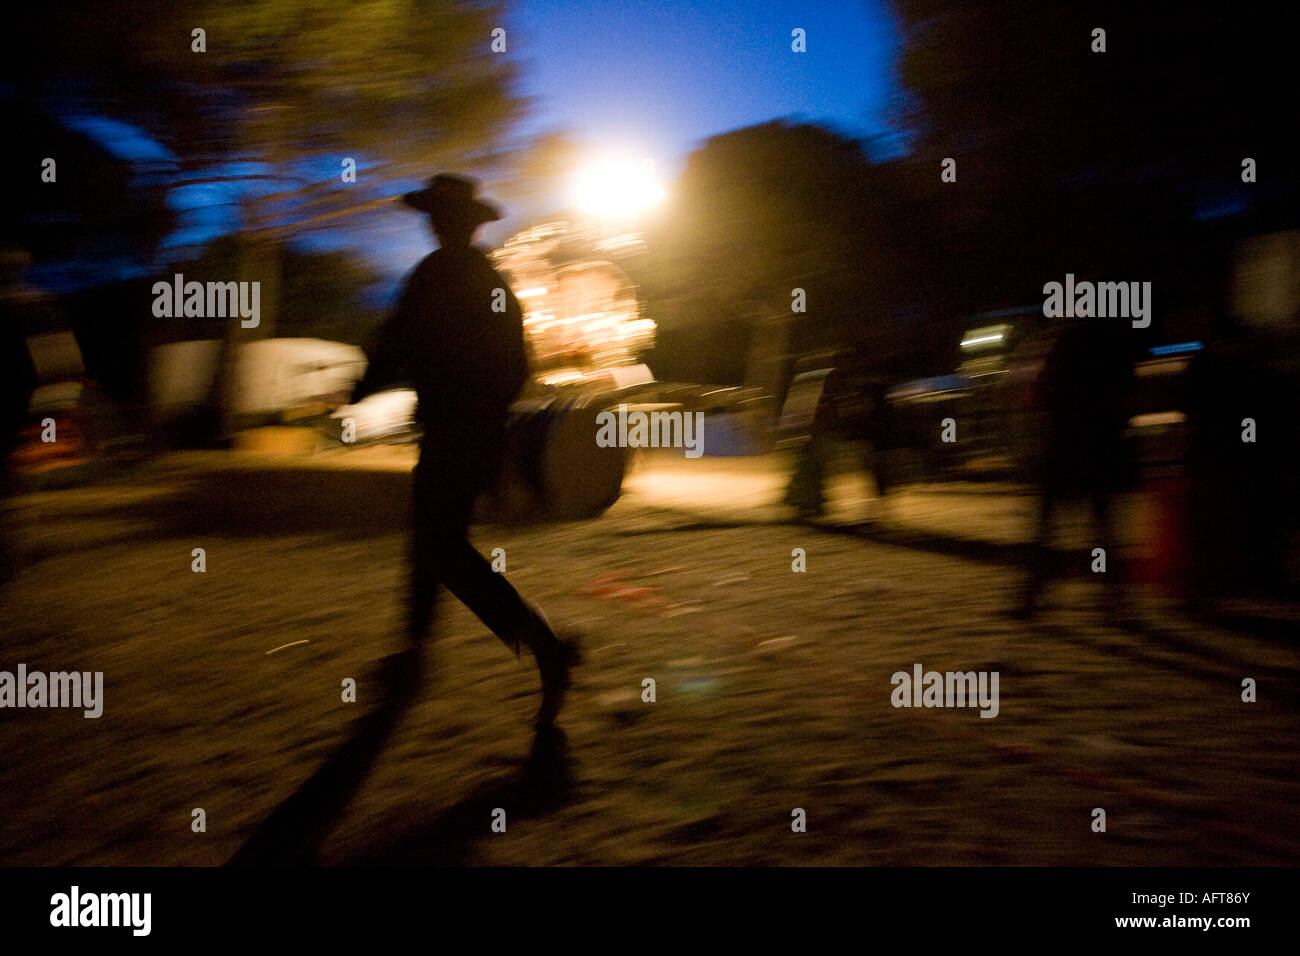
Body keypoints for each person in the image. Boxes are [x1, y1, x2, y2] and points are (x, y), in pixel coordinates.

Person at [346, 174, 579, 725]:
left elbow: (396, 340)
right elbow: (518, 366)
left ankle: (546, 645)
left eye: (435, 214)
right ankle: (412, 659)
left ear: (441, 221)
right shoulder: (494, 282)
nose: (431, 223)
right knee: (432, 544)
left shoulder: (435, 273)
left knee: (442, 549)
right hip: (479, 434)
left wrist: (364, 386)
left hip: (451, 434)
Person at [1015, 318, 1135, 619]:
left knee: (1048, 528)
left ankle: (1034, 595)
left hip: (1064, 449)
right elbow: (1128, 397)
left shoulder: (1063, 343)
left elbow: (1040, 392)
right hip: (1100, 451)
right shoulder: (1114, 346)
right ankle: (1113, 597)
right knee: (1102, 530)